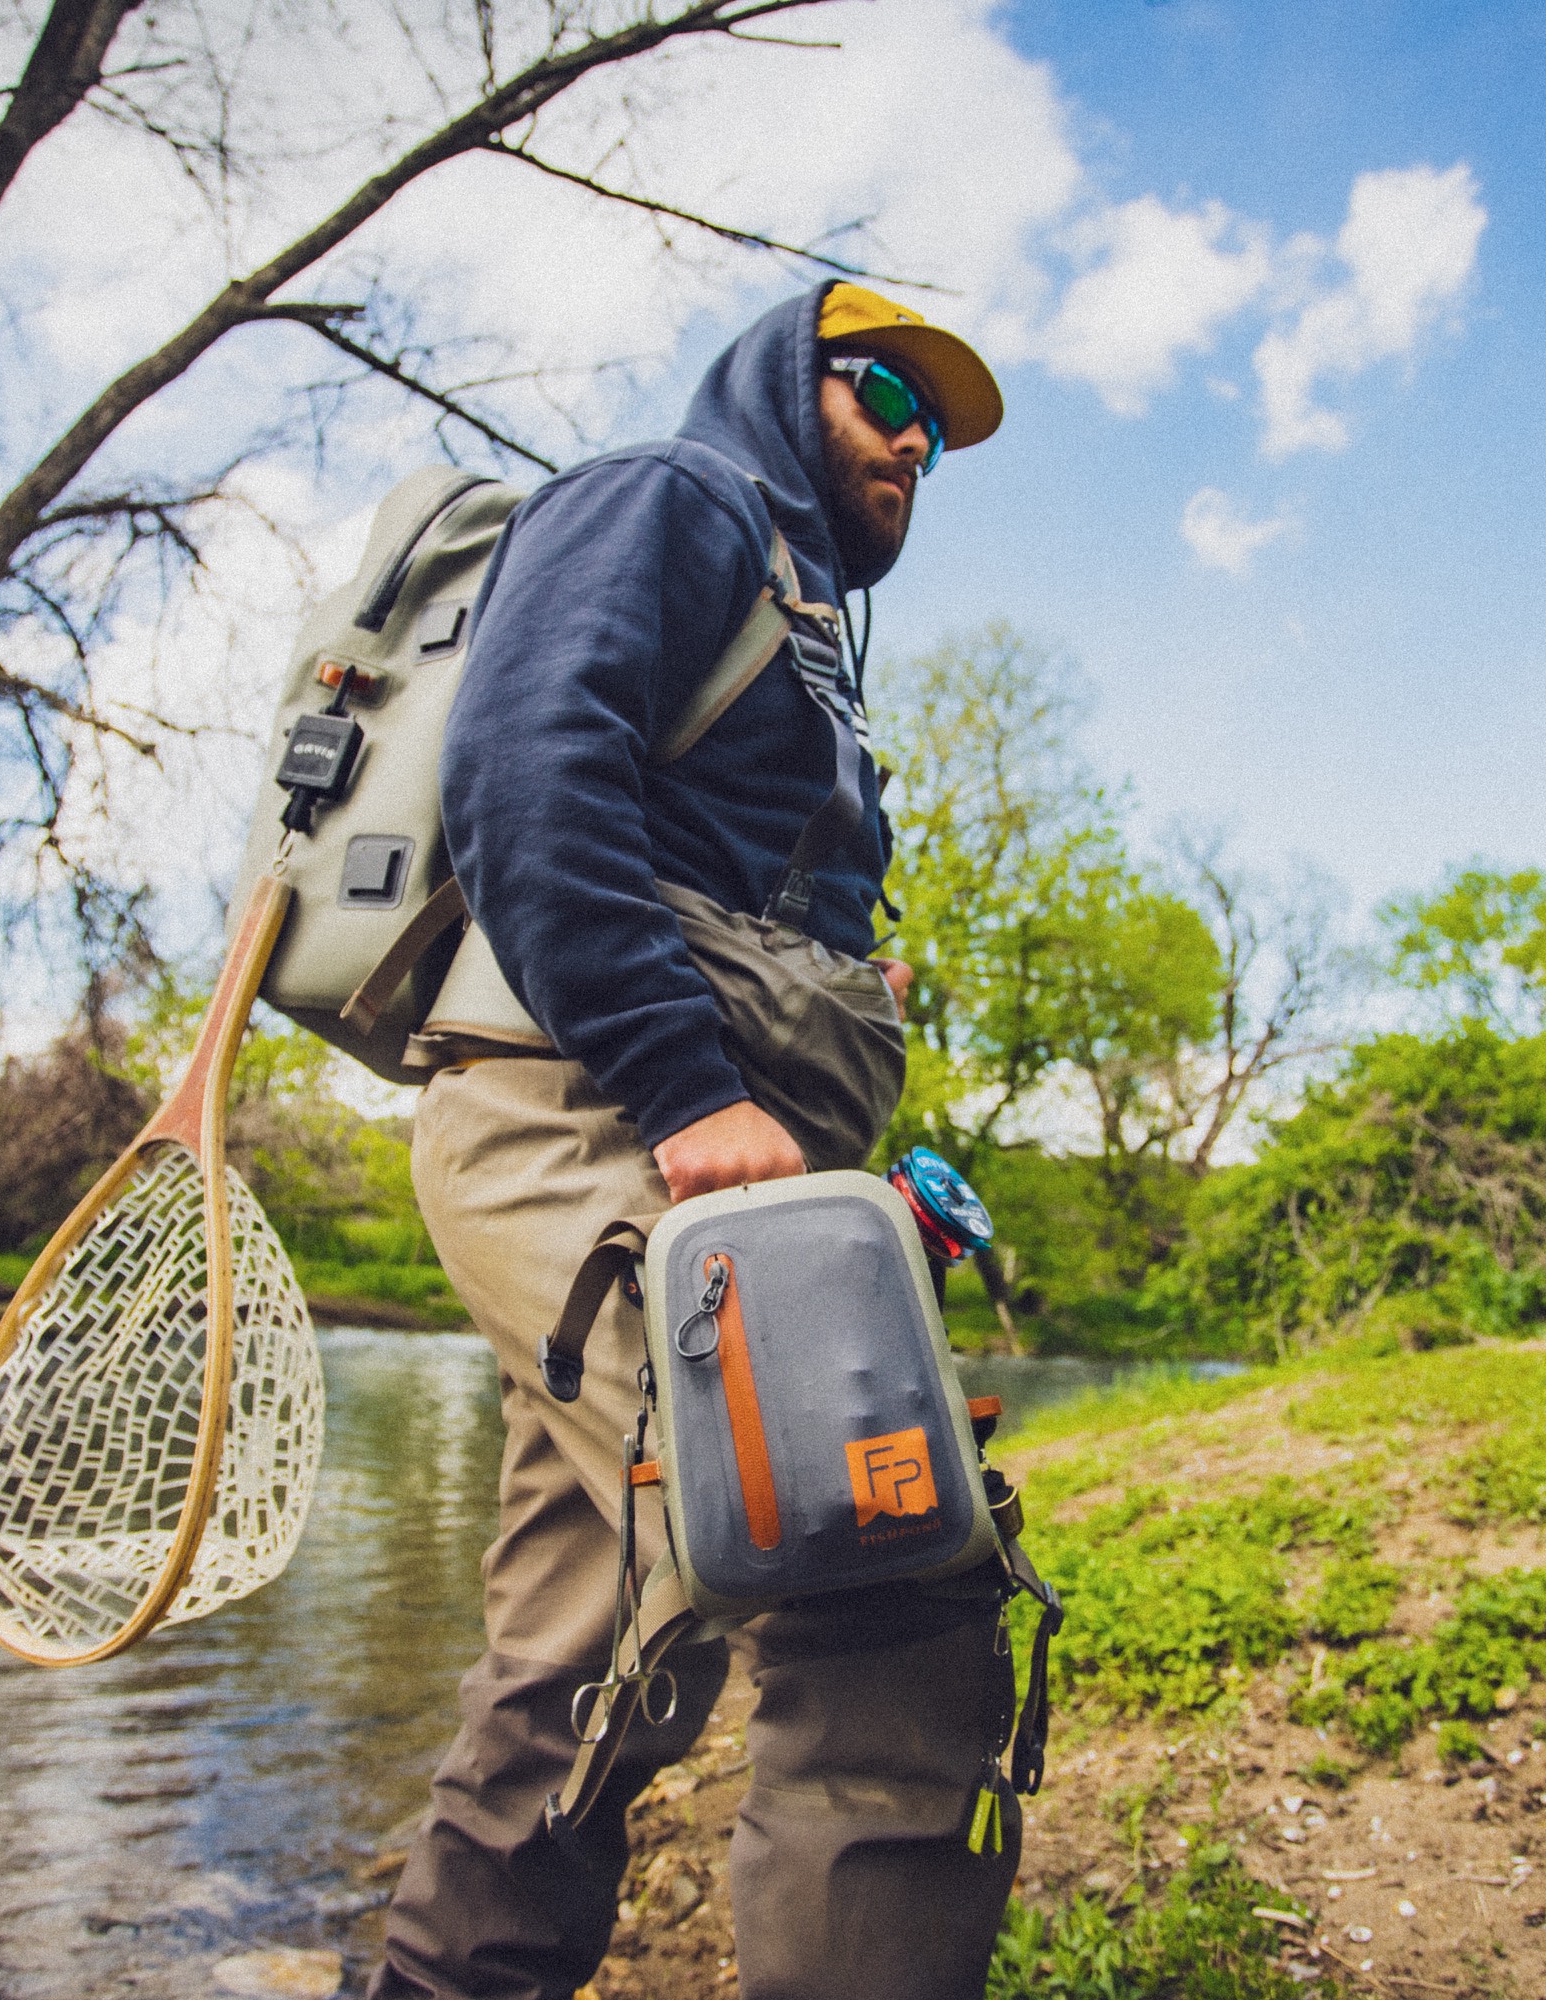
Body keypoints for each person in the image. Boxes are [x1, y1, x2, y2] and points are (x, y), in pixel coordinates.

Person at [368, 282, 1012, 2000]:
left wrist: (829, 1032)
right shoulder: (671, 495)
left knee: (587, 1664)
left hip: (685, 1170)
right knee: (873, 1575)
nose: (915, 446)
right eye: (887, 396)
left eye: (940, 436)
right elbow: (524, 764)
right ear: (788, 382)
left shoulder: (800, 627)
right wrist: (692, 1092)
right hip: (591, 1126)